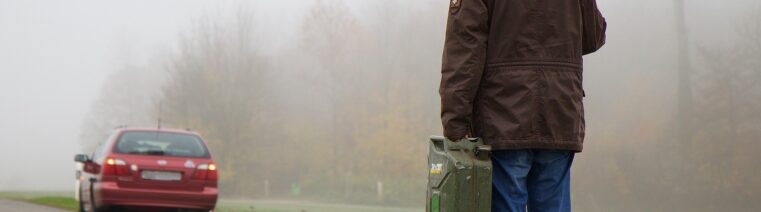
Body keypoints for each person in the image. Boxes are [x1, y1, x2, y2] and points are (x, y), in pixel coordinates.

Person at [439, 0, 606, 211]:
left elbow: (464, 51)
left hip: (503, 114)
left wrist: (455, 123)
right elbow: (593, 37)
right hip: (559, 112)